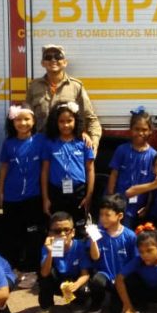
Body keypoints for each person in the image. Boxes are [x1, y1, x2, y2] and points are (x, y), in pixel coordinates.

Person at [0, 105, 46, 288]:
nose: (23, 123)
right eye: (18, 119)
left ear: (33, 121)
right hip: (12, 197)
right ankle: (15, 269)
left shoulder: (40, 141)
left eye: (27, 119)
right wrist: (1, 191)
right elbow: (4, 168)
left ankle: (32, 270)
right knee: (13, 235)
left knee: (33, 235)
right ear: (12, 122)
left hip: (33, 197)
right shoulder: (8, 143)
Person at [25, 44, 102, 150]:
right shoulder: (34, 87)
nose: (53, 60)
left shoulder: (75, 86)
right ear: (43, 63)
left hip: (67, 147)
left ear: (65, 62)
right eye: (48, 57)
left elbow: (91, 119)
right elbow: (26, 118)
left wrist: (93, 145)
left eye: (58, 56)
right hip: (41, 146)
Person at [41, 101, 96, 236]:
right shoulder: (50, 143)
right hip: (56, 192)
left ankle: (77, 254)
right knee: (58, 228)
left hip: (78, 192)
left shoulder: (83, 142)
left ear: (75, 121)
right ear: (56, 122)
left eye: (69, 121)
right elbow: (45, 172)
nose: (66, 125)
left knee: (79, 228)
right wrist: (45, 198)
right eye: (61, 121)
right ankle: (59, 256)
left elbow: (90, 170)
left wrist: (88, 196)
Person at [32, 211, 92, 313]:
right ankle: (46, 307)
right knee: (44, 276)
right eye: (57, 231)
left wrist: (76, 285)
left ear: (73, 232)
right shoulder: (48, 247)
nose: (63, 234)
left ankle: (76, 302)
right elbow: (44, 274)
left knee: (85, 289)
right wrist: (50, 252)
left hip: (73, 282)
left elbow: (85, 274)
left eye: (66, 230)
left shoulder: (79, 245)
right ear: (50, 233)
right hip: (57, 282)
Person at [107, 106, 157, 228]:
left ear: (151, 131)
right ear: (130, 129)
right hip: (119, 203)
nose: (140, 133)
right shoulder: (122, 150)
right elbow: (114, 175)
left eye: (144, 129)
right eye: (137, 129)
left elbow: (153, 185)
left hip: (139, 206)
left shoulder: (154, 155)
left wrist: (148, 207)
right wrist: (110, 199)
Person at [87, 194, 138, 313]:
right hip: (105, 275)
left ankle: (129, 300)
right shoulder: (98, 233)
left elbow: (135, 261)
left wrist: (122, 276)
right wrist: (93, 239)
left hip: (122, 278)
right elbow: (95, 257)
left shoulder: (130, 236)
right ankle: (97, 301)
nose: (102, 218)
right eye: (101, 215)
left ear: (119, 216)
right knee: (96, 281)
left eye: (107, 215)